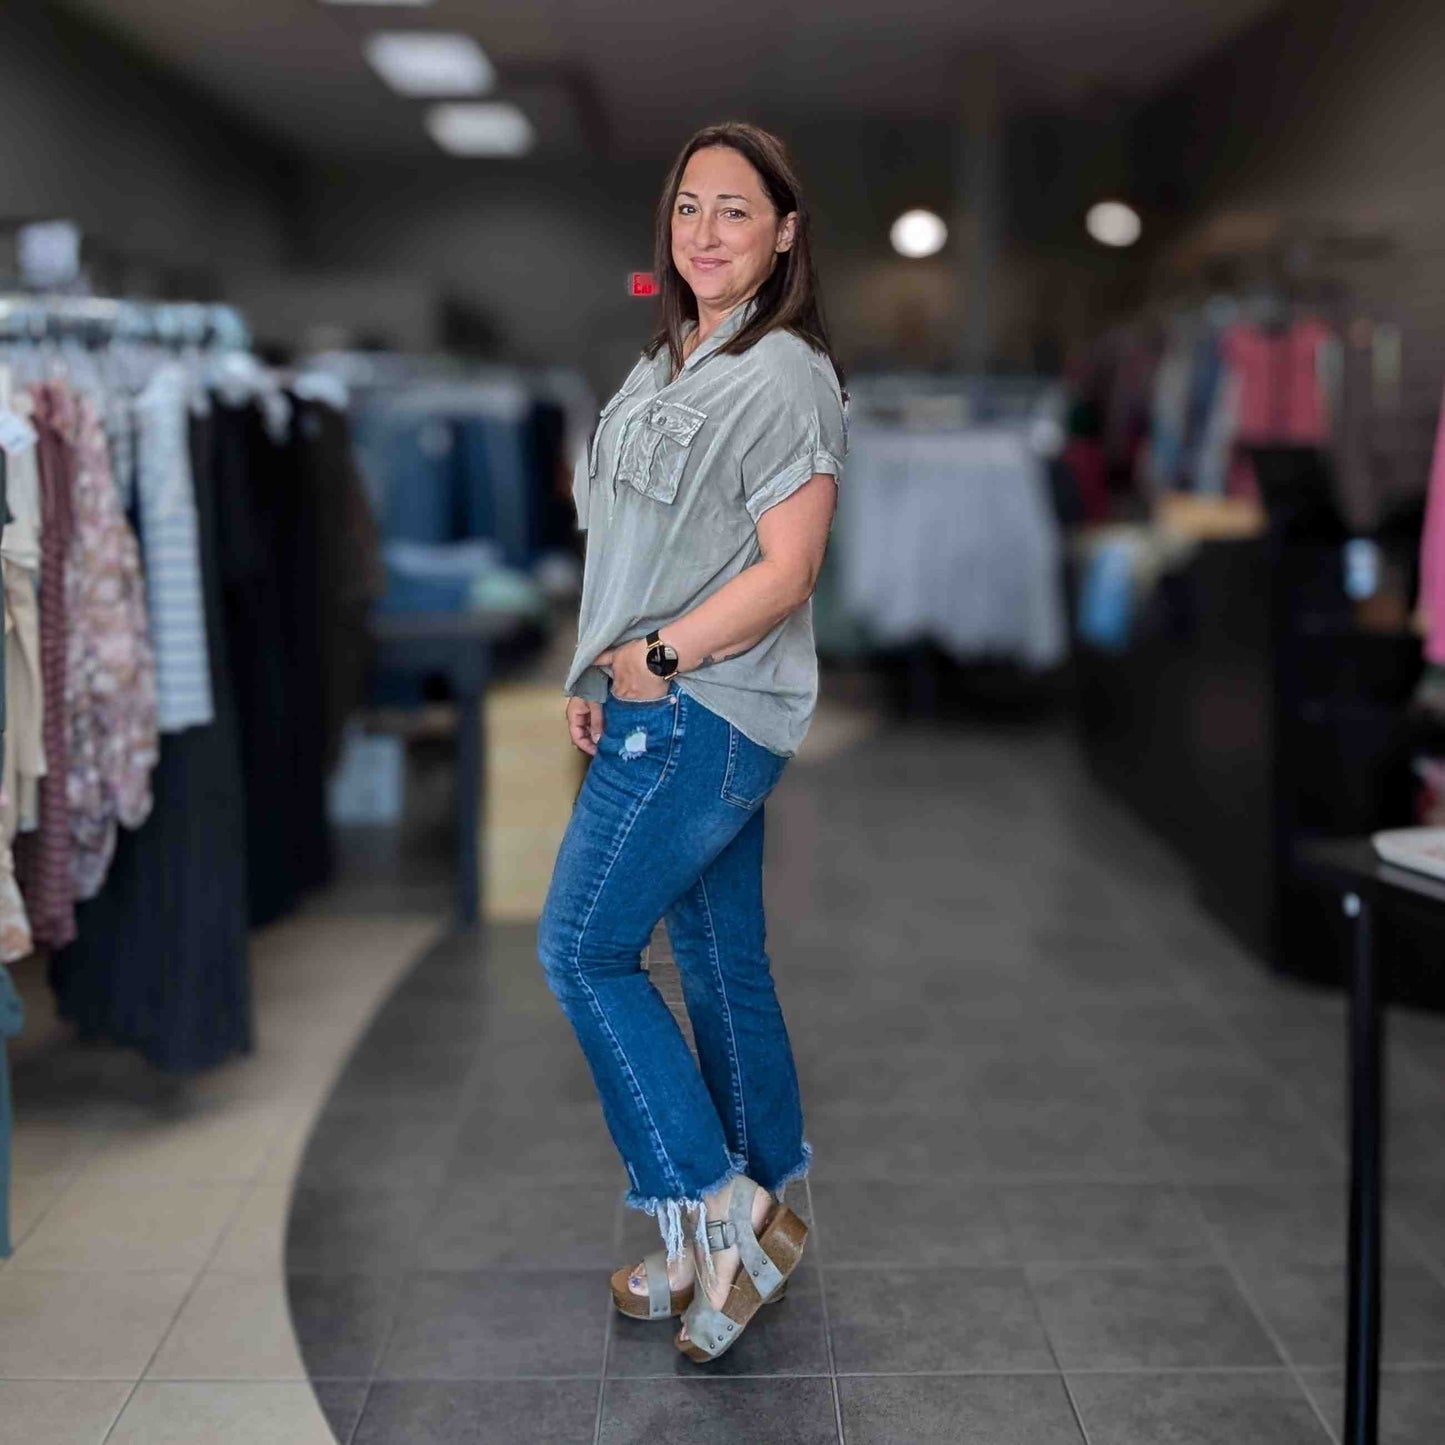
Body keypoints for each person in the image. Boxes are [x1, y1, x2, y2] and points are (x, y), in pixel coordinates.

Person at [537, 120, 848, 1363]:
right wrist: (590, 665)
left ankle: (719, 1209)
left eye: (732, 210)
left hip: (696, 711)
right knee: (720, 965)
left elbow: (788, 570)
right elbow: (627, 541)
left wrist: (654, 660)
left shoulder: (782, 374)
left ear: (782, 232)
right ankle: (730, 1221)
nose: (703, 233)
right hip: (650, 703)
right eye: (684, 209)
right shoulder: (667, 359)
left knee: (580, 949)